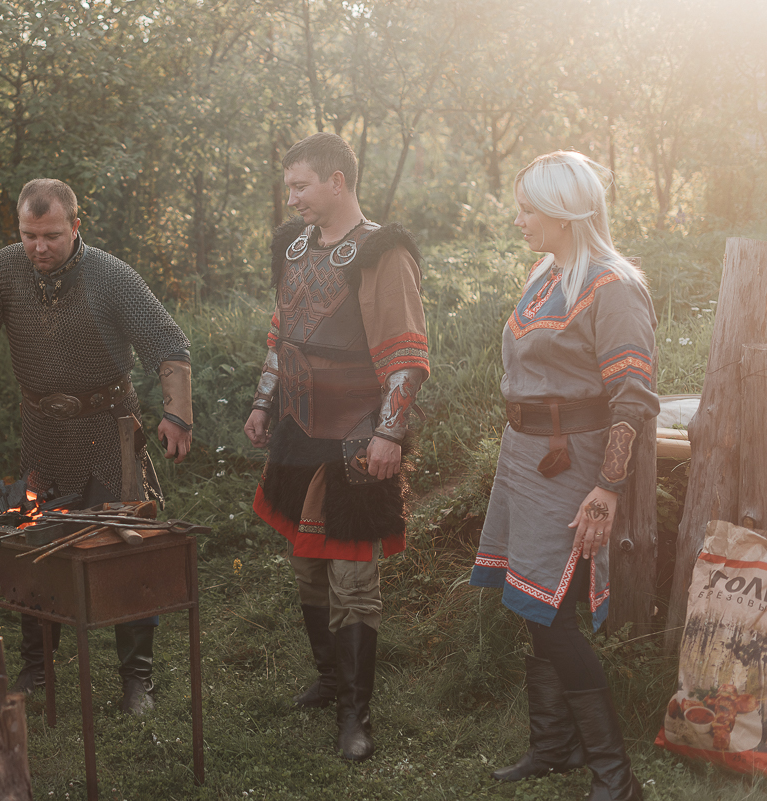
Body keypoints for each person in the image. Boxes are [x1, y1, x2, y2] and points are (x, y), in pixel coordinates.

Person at [0, 178, 193, 714]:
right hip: (42, 431)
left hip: (108, 430)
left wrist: (178, 413)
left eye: (52, 235)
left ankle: (137, 680)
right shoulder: (7, 267)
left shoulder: (111, 275)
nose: (39, 247)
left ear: (75, 226)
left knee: (126, 549)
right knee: (34, 549)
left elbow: (167, 342)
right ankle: (37, 671)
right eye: (30, 235)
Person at [469, 151, 656, 801]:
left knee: (555, 614)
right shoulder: (544, 272)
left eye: (528, 209)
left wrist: (606, 488)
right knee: (531, 600)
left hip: (574, 462)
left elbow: (633, 395)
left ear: (564, 213)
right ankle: (555, 745)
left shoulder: (614, 285)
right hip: (523, 455)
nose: (518, 218)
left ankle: (615, 775)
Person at [243, 133, 428, 761]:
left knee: (353, 572)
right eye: (289, 186)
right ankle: (328, 679)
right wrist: (264, 401)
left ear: (338, 182)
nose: (291, 197)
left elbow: (405, 354)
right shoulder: (289, 246)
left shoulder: (382, 251)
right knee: (305, 559)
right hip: (298, 427)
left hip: (356, 433)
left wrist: (389, 433)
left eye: (301, 186)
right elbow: (281, 333)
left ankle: (357, 715)